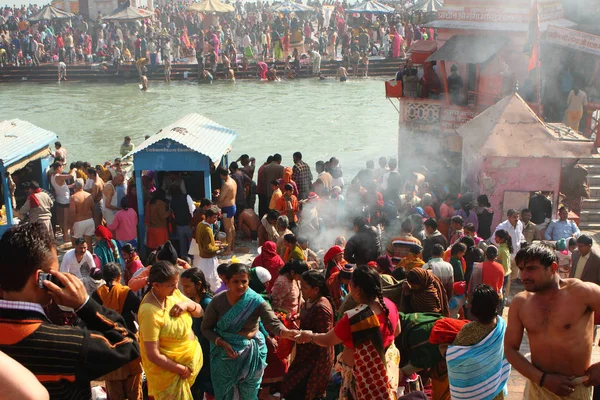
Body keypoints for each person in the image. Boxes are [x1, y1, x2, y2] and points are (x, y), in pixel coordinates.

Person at [0, 223, 140, 398]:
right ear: (42, 280)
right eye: (55, 274)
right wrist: (84, 304)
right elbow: (128, 345)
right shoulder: (70, 344)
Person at [505, 244, 600, 399]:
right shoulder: (520, 303)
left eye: (531, 269)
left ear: (553, 267)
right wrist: (542, 379)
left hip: (575, 389)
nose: (523, 276)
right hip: (537, 389)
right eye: (521, 269)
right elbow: (510, 349)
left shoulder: (582, 292)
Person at [295, 266, 400, 400]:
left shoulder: (354, 318)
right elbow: (397, 331)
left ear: (356, 290)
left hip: (361, 378)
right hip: (385, 372)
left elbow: (328, 340)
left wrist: (309, 336)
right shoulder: (389, 305)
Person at [201, 263, 299, 399]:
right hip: (224, 357)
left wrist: (286, 332)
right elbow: (206, 328)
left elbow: (272, 322)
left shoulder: (255, 300)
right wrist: (222, 343)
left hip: (250, 357)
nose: (240, 285)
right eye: (235, 281)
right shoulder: (217, 301)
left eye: (244, 281)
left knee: (249, 395)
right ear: (227, 281)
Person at [447, 284, 511, 400]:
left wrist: (444, 350)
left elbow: (455, 357)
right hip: (495, 388)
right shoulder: (501, 325)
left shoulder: (469, 330)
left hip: (474, 392)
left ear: (474, 308)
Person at [91, 262, 143, 400]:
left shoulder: (97, 294)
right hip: (129, 343)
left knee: (114, 390)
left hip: (109, 345)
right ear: (119, 276)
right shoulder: (125, 292)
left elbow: (90, 319)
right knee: (134, 389)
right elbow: (141, 310)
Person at [282, 270, 335, 400]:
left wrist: (320, 371)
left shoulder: (321, 308)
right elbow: (308, 315)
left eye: (304, 288)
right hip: (304, 356)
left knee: (305, 392)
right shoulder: (310, 300)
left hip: (315, 361)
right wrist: (296, 317)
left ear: (315, 289)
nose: (302, 290)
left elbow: (325, 339)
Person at [180, 268, 215, 400]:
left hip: (205, 352)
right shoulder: (195, 300)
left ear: (199, 284)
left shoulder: (206, 303)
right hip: (197, 351)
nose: (185, 290)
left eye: (188, 286)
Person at [194, 208, 223, 291]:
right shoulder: (207, 229)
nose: (216, 220)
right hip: (209, 259)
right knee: (213, 279)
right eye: (214, 217)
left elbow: (199, 240)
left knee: (204, 277)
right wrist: (219, 247)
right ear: (208, 217)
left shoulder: (200, 224)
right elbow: (208, 248)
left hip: (202, 258)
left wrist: (214, 242)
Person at [69, 178, 95, 249]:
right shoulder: (89, 195)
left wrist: (71, 227)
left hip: (79, 222)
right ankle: (90, 259)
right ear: (83, 186)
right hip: (89, 220)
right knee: (89, 244)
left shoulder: (73, 197)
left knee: (76, 244)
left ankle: (78, 259)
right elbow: (93, 208)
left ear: (75, 186)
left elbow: (72, 214)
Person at [217, 166, 237, 255]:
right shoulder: (233, 181)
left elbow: (221, 198)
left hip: (227, 209)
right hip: (232, 207)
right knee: (232, 227)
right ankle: (232, 246)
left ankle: (228, 249)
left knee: (227, 229)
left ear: (221, 175)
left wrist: (217, 198)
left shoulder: (226, 184)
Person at [50, 161, 73, 242]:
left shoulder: (52, 176)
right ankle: (66, 237)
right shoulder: (58, 176)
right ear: (58, 168)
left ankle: (64, 235)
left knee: (61, 220)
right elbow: (70, 176)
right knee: (66, 220)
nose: (62, 169)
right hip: (65, 201)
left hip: (59, 200)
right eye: (62, 167)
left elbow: (61, 187)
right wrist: (74, 169)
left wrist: (70, 186)